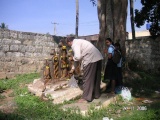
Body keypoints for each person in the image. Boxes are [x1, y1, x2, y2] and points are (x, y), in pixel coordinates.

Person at [66, 37, 103, 102]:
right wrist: (73, 69)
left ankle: (86, 97)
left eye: (68, 44)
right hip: (98, 56)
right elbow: (76, 60)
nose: (69, 46)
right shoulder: (79, 42)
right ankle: (96, 94)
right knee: (96, 78)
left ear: (69, 42)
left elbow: (77, 57)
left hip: (91, 58)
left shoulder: (75, 44)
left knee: (87, 78)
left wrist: (73, 58)